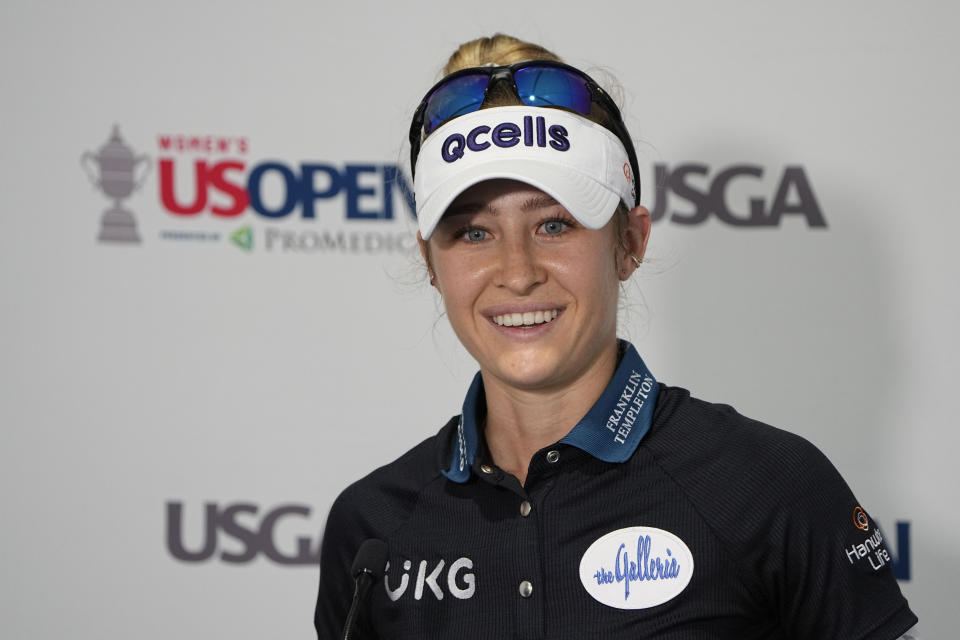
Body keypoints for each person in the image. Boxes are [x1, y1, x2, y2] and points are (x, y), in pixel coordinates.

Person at [315, 34, 918, 639]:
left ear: (629, 242)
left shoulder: (768, 487)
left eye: (554, 224)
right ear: (429, 261)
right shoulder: (373, 527)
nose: (518, 273)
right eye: (474, 233)